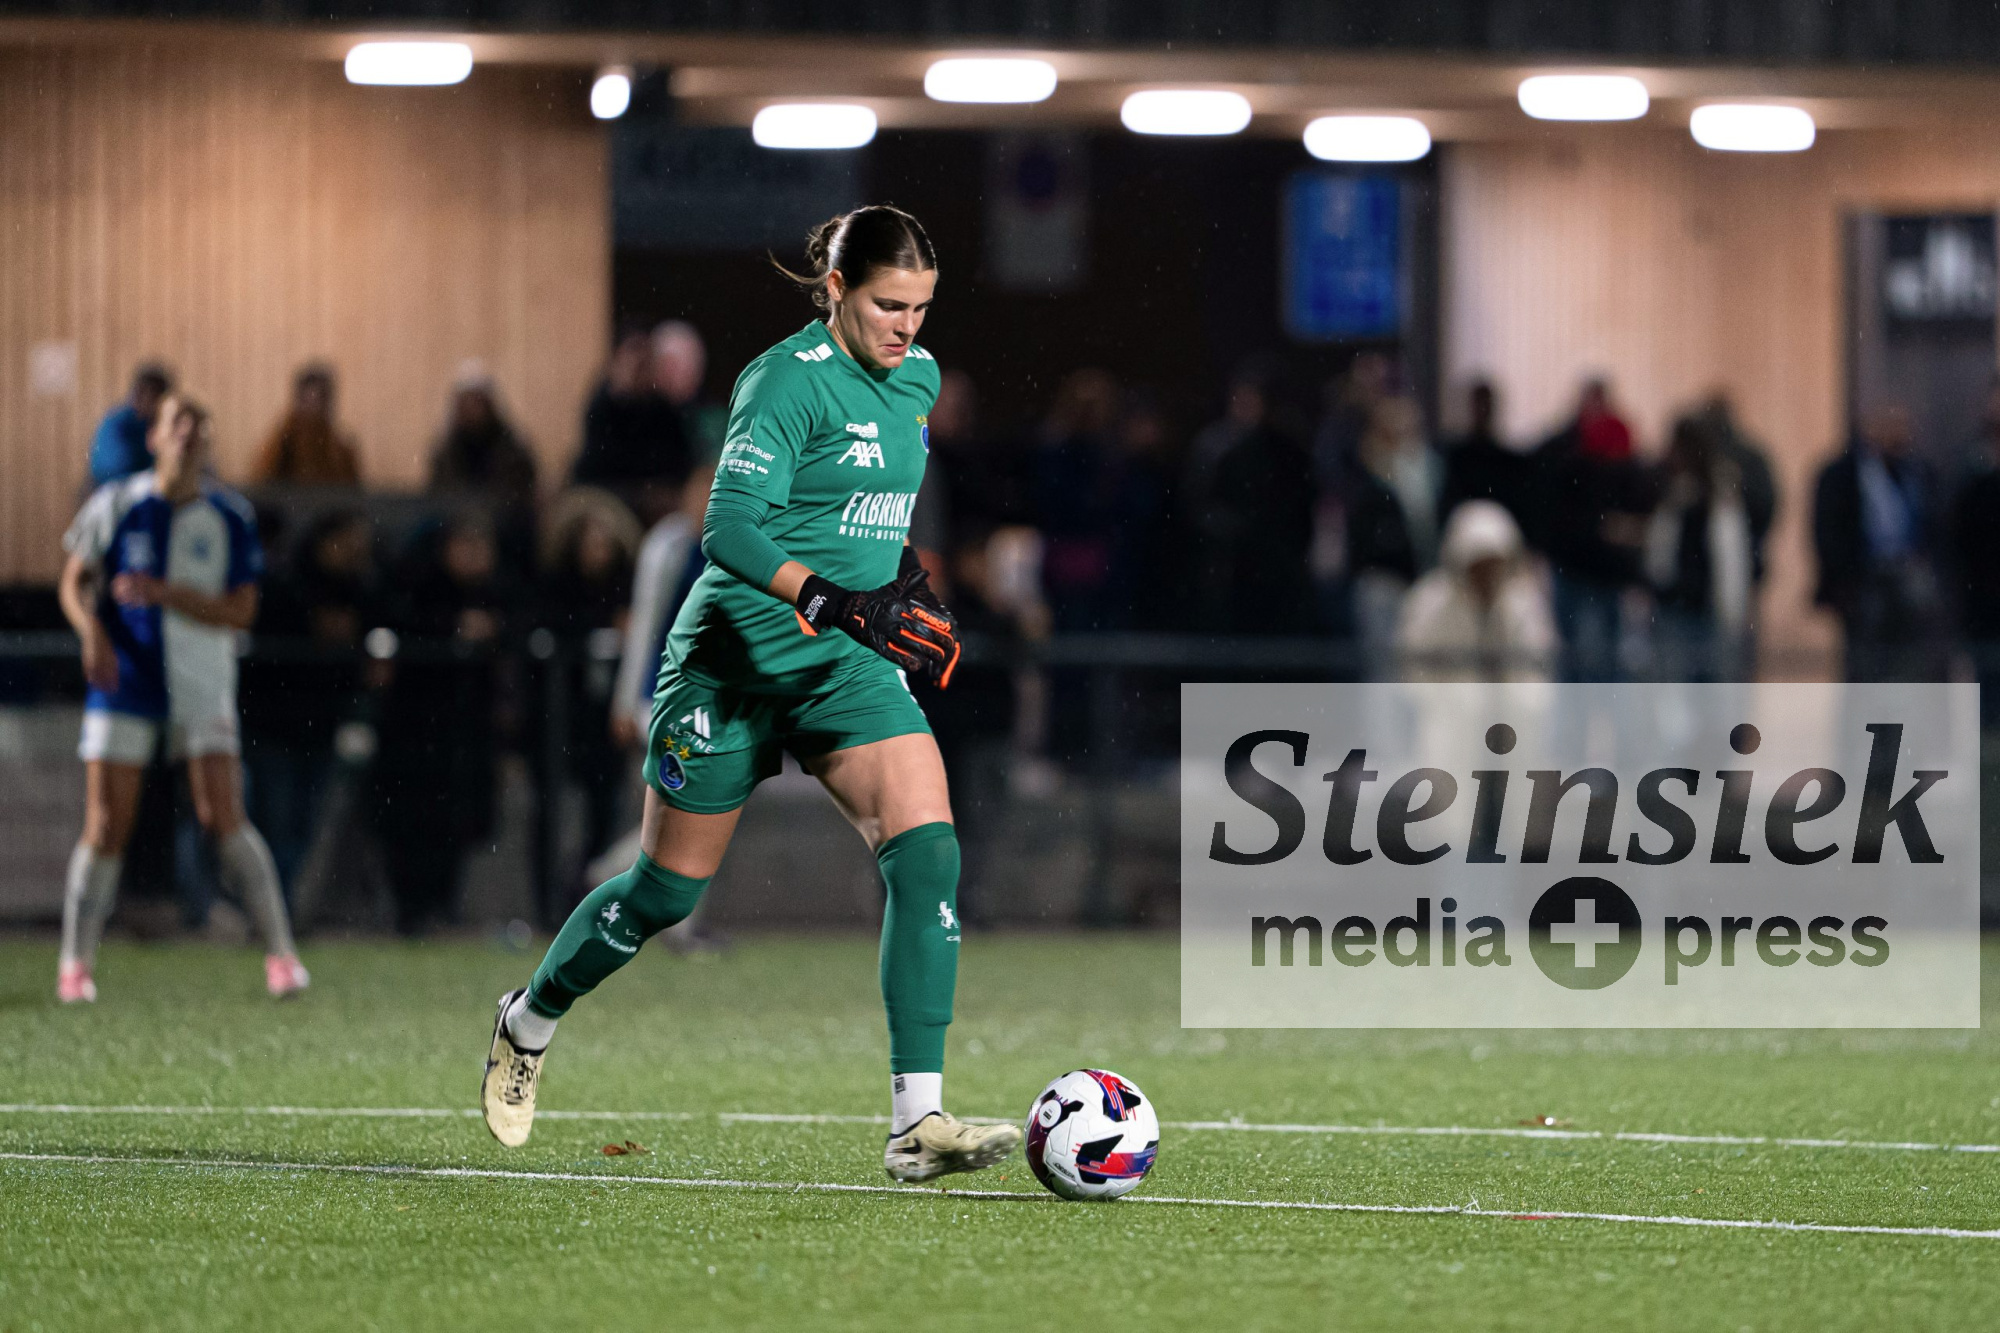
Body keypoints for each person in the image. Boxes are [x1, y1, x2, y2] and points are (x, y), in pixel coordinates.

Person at [480, 205, 1021, 1184]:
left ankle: (916, 1123)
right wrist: (830, 597)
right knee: (663, 893)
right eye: (888, 305)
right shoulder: (782, 380)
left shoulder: (919, 379)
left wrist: (900, 578)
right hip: (732, 665)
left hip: (846, 666)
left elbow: (863, 509)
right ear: (836, 290)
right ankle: (529, 1018)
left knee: (928, 854)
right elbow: (727, 529)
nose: (907, 328)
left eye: (921, 308)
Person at [54, 393, 308, 1002]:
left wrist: (166, 594)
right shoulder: (117, 503)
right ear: (155, 437)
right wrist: (91, 633)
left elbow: (241, 610)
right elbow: (73, 582)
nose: (188, 431)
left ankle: (282, 955)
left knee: (223, 818)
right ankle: (75, 966)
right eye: (177, 421)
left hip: (202, 682)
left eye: (199, 422)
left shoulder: (229, 515)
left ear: (209, 440)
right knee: (106, 825)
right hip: (125, 682)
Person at [1813, 403, 1950, 682]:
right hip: (1865, 579)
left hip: (1909, 575)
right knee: (1866, 666)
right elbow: (1828, 531)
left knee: (1913, 661)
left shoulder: (1917, 472)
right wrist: (1842, 581)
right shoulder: (1842, 474)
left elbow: (1935, 526)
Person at [1535, 378, 1654, 681]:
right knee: (1578, 656)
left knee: (1604, 657)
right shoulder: (1566, 455)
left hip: (1603, 573)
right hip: (1578, 569)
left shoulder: (1611, 449)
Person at [1643, 415, 1758, 680]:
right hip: (1675, 605)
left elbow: (1729, 558)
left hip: (1706, 607)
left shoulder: (1718, 494)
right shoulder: (1672, 493)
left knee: (1710, 682)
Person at [1396, 500, 1555, 682]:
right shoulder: (1428, 604)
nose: (1488, 575)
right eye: (1479, 565)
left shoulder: (1523, 603)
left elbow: (1536, 673)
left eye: (1494, 565)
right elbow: (1415, 673)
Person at [573, 325, 690, 521]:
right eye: (635, 360)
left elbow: (680, 465)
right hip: (611, 505)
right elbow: (597, 471)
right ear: (616, 362)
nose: (640, 370)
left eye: (646, 362)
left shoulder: (663, 411)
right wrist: (643, 494)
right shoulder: (601, 409)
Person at [1437, 379, 1537, 543]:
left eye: (1486, 405)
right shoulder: (1457, 458)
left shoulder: (1509, 462)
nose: (1482, 411)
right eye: (1479, 405)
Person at [253, 363, 362, 486]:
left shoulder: (341, 452)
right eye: (307, 402)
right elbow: (262, 483)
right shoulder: (282, 445)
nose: (311, 410)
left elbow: (351, 492)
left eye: (316, 402)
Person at [653, 320, 727, 462]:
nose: (669, 373)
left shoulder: (716, 422)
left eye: (675, 365)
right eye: (664, 365)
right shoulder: (640, 417)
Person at [89, 363, 173, 486]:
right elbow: (118, 472)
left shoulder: (156, 424)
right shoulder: (118, 425)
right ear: (144, 394)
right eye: (161, 399)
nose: (164, 406)